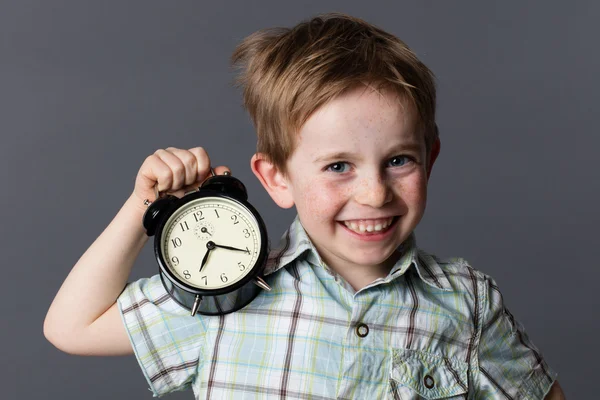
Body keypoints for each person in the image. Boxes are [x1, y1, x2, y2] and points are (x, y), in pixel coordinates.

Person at [44, 13, 565, 399]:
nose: (375, 193)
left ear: (430, 158)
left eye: (398, 160)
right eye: (338, 166)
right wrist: (143, 206)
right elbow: (72, 328)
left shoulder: (466, 302)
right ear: (277, 178)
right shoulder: (224, 295)